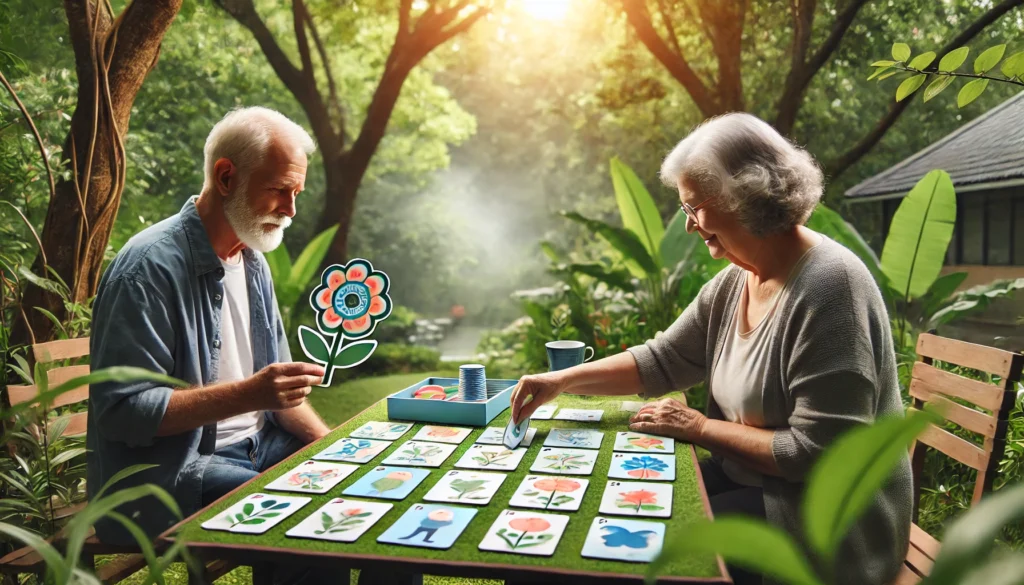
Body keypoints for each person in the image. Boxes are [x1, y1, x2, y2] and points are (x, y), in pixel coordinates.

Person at [511, 113, 912, 585]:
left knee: (644, 551)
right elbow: (662, 360)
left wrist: (699, 427)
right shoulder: (736, 281)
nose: (689, 227)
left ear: (745, 195)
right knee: (611, 514)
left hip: (825, 526)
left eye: (693, 208)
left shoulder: (830, 287)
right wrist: (561, 381)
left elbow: (815, 453)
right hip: (758, 483)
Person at [87, 107, 332, 544]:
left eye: (298, 193)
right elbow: (121, 413)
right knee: (303, 520)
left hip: (261, 449)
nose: (291, 210)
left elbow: (278, 392)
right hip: (172, 476)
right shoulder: (147, 269)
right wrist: (250, 394)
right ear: (225, 177)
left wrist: (332, 447)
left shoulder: (253, 260)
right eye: (279, 190)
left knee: (364, 492)